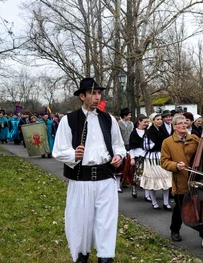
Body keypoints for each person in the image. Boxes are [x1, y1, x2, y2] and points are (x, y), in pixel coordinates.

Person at [52, 78, 126, 263]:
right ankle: (81, 256)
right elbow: (59, 150)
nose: (97, 97)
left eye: (99, 93)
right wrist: (73, 154)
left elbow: (119, 145)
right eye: (93, 93)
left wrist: (118, 156)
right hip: (81, 179)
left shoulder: (108, 119)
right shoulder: (68, 120)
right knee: (81, 222)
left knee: (106, 222)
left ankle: (105, 257)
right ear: (82, 96)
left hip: (106, 178)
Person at [160, 115, 203, 247]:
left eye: (185, 123)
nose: (183, 125)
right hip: (181, 180)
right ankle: (175, 230)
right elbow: (164, 162)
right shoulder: (167, 142)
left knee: (199, 208)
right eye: (179, 123)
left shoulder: (194, 138)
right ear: (174, 127)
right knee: (181, 209)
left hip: (197, 179)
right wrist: (175, 165)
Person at [140, 113, 172, 211]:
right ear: (152, 120)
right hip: (152, 158)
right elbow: (146, 146)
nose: (160, 121)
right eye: (157, 119)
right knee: (152, 181)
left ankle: (166, 203)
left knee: (166, 179)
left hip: (162, 157)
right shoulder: (149, 132)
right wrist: (156, 143)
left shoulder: (163, 130)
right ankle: (154, 202)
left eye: (160, 119)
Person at [128, 115, 150, 199]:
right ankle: (134, 189)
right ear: (139, 122)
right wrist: (132, 158)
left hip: (146, 156)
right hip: (137, 156)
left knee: (147, 174)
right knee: (136, 174)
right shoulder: (134, 132)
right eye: (144, 122)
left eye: (147, 122)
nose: (146, 124)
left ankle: (147, 194)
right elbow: (131, 147)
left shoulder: (147, 132)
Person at [117, 108, 134, 193]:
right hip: (122, 145)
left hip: (129, 145)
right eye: (129, 115)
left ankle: (126, 181)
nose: (130, 116)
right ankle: (119, 183)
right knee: (122, 165)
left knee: (129, 165)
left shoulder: (131, 124)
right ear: (124, 115)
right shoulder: (118, 124)